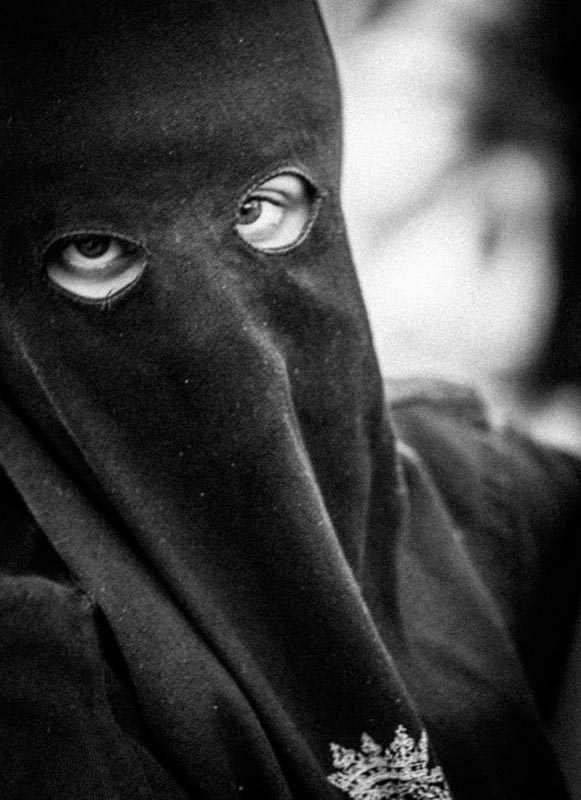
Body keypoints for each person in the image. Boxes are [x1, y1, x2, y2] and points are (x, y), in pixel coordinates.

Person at [0, 1, 579, 798]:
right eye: (94, 248)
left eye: (257, 209)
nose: (214, 329)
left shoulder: (495, 509)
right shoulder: (36, 688)